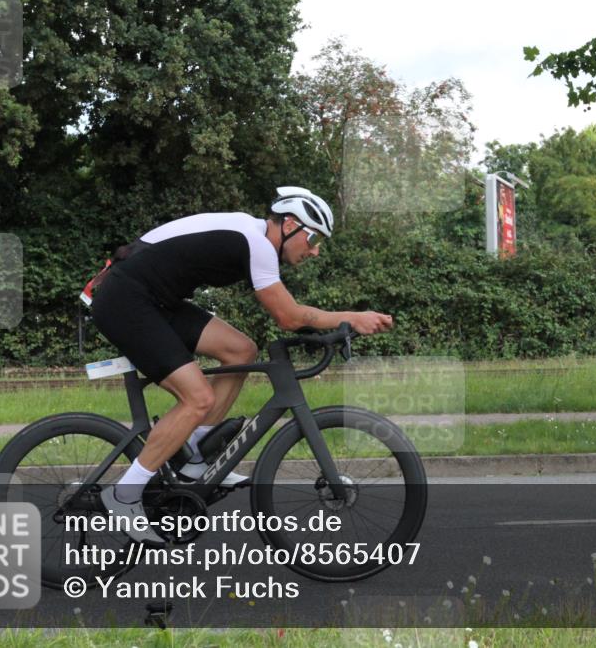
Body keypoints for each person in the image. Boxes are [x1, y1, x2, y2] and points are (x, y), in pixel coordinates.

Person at [89, 186, 393, 544]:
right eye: (312, 237)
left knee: (240, 350)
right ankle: (123, 495)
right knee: (197, 398)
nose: (315, 249)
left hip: (154, 300)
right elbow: (288, 316)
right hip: (126, 299)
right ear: (290, 224)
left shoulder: (251, 236)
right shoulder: (258, 243)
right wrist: (351, 318)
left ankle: (195, 455)